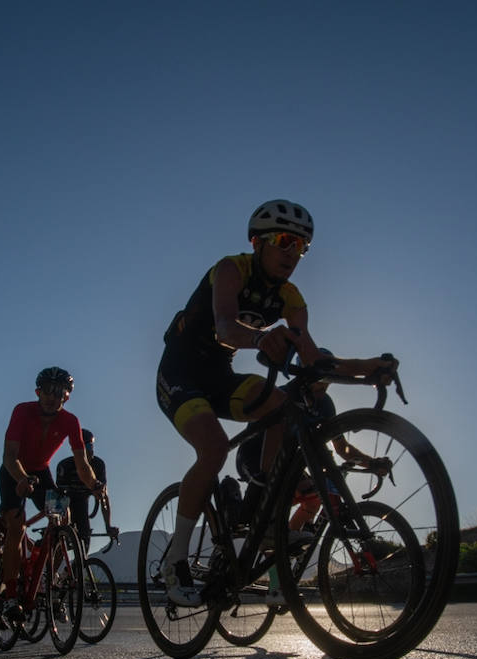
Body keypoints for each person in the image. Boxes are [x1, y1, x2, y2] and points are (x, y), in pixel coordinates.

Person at [154, 199, 396, 606]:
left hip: (219, 377)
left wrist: (369, 367)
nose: (292, 253)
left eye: (301, 247)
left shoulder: (291, 297)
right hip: (179, 373)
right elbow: (226, 326)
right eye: (283, 241)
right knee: (212, 448)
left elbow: (315, 359)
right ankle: (175, 560)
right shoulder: (232, 268)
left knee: (281, 404)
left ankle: (265, 510)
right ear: (257, 242)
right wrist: (258, 338)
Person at [236, 351, 395, 599]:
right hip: (255, 458)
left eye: (326, 384)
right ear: (303, 379)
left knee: (314, 496)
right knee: (273, 516)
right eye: (317, 384)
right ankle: (276, 578)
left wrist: (371, 463)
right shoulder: (286, 394)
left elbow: (341, 449)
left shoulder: (325, 405)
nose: (321, 390)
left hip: (289, 466)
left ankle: (284, 538)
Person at [0, 367, 105, 603]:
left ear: (67, 396)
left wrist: (95, 484)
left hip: (40, 470)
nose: (52, 397)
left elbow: (82, 464)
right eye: (48, 391)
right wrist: (22, 479)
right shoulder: (22, 411)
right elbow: (9, 456)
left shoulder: (70, 421)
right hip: (14, 471)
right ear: (38, 391)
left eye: (59, 393)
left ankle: (44, 570)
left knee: (63, 517)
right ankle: (11, 593)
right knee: (17, 527)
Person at [55, 429, 119, 552]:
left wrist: (108, 526)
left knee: (84, 542)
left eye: (90, 446)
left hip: (81, 502)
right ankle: (53, 562)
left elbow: (104, 498)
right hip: (65, 499)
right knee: (59, 539)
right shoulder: (65, 466)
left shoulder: (98, 465)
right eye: (84, 446)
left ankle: (75, 569)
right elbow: (57, 500)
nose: (89, 450)